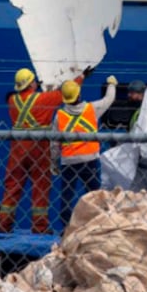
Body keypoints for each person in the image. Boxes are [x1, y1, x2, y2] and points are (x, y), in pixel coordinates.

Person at [0, 66, 92, 234]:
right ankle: (40, 227)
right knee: (40, 185)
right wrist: (82, 76)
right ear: (31, 84)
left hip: (18, 148)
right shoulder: (43, 99)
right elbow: (64, 93)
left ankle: (4, 224)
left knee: (13, 185)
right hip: (39, 147)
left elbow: (30, 101)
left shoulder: (12, 101)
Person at [52, 75, 117, 231]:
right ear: (79, 94)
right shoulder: (92, 109)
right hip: (90, 160)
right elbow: (109, 99)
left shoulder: (59, 116)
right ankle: (100, 224)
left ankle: (66, 229)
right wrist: (111, 84)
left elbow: (54, 144)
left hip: (69, 162)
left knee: (67, 196)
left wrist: (54, 163)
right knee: (95, 194)